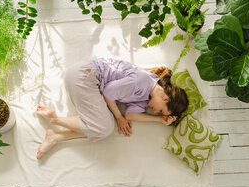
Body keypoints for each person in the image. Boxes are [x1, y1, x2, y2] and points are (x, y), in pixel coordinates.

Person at [35, 57, 189, 159]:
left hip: (88, 84)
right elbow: (108, 93)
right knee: (105, 128)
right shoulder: (142, 81)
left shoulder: (146, 98)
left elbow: (130, 116)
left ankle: (56, 136)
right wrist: (118, 117)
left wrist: (160, 120)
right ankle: (54, 119)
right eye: (161, 110)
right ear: (165, 98)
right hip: (83, 76)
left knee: (103, 129)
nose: (155, 111)